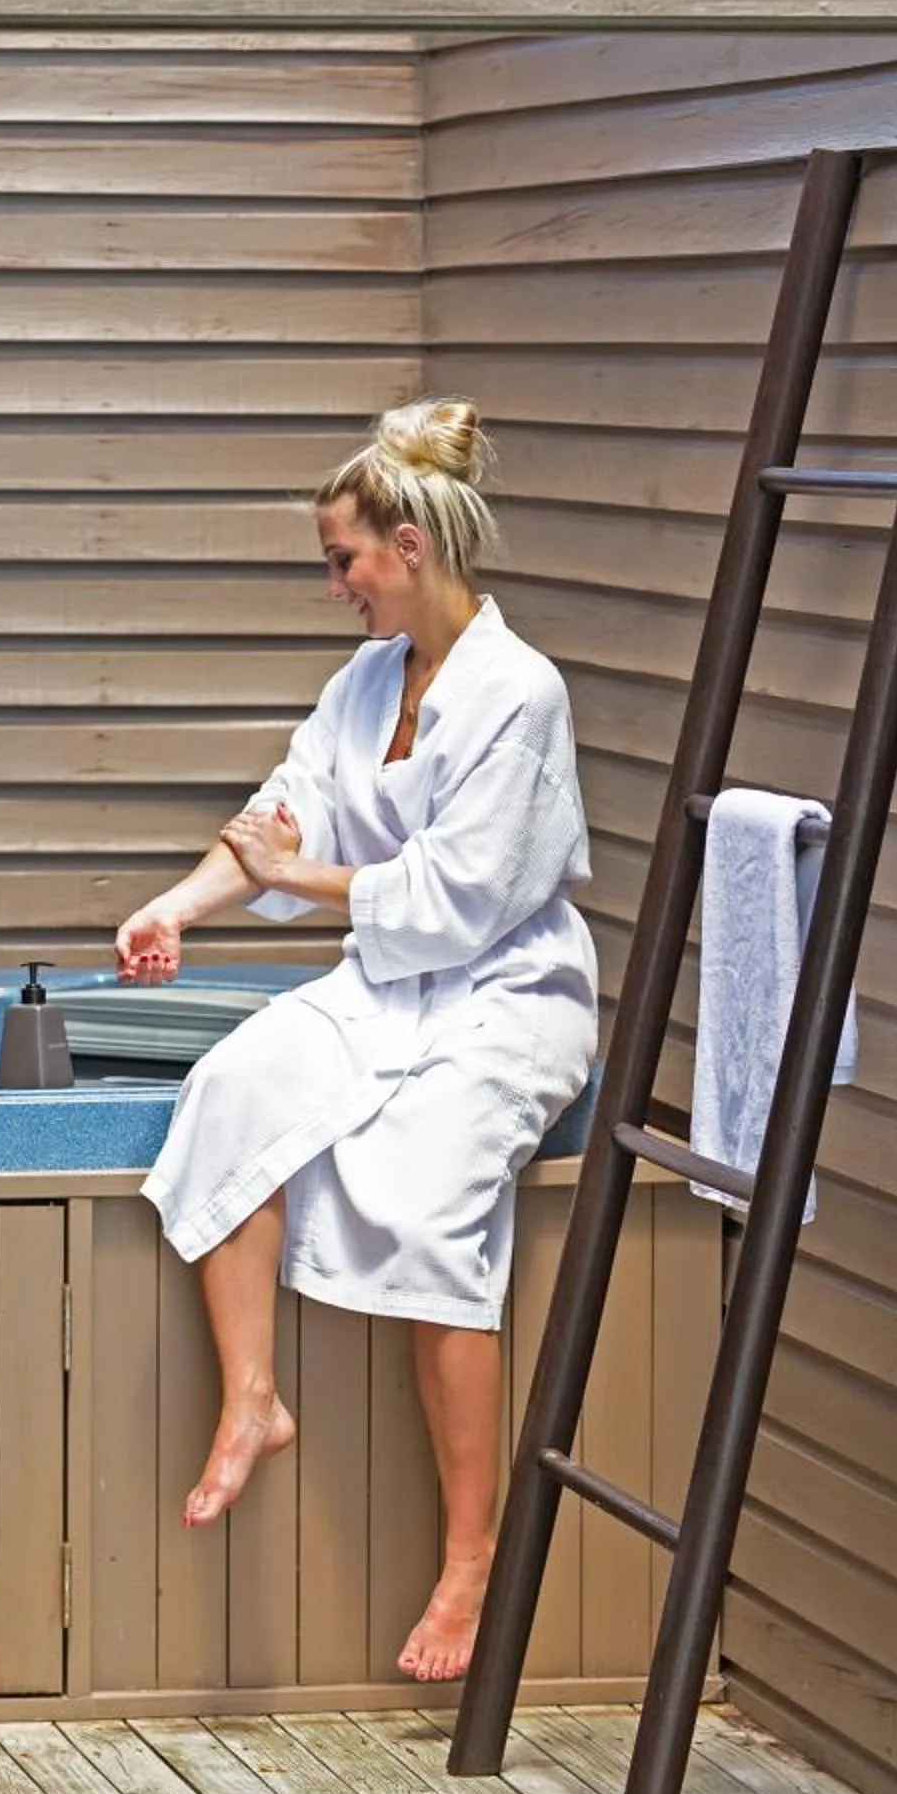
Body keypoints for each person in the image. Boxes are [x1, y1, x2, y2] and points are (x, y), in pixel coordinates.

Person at [114, 398, 599, 1682]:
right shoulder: (365, 682)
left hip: (505, 992)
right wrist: (176, 905)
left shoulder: (517, 693)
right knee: (232, 1085)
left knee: (432, 1198)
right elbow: (278, 818)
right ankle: (253, 1398)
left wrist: (308, 876)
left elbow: (455, 895)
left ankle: (470, 1553)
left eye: (344, 561)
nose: (335, 587)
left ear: (409, 546)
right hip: (388, 980)